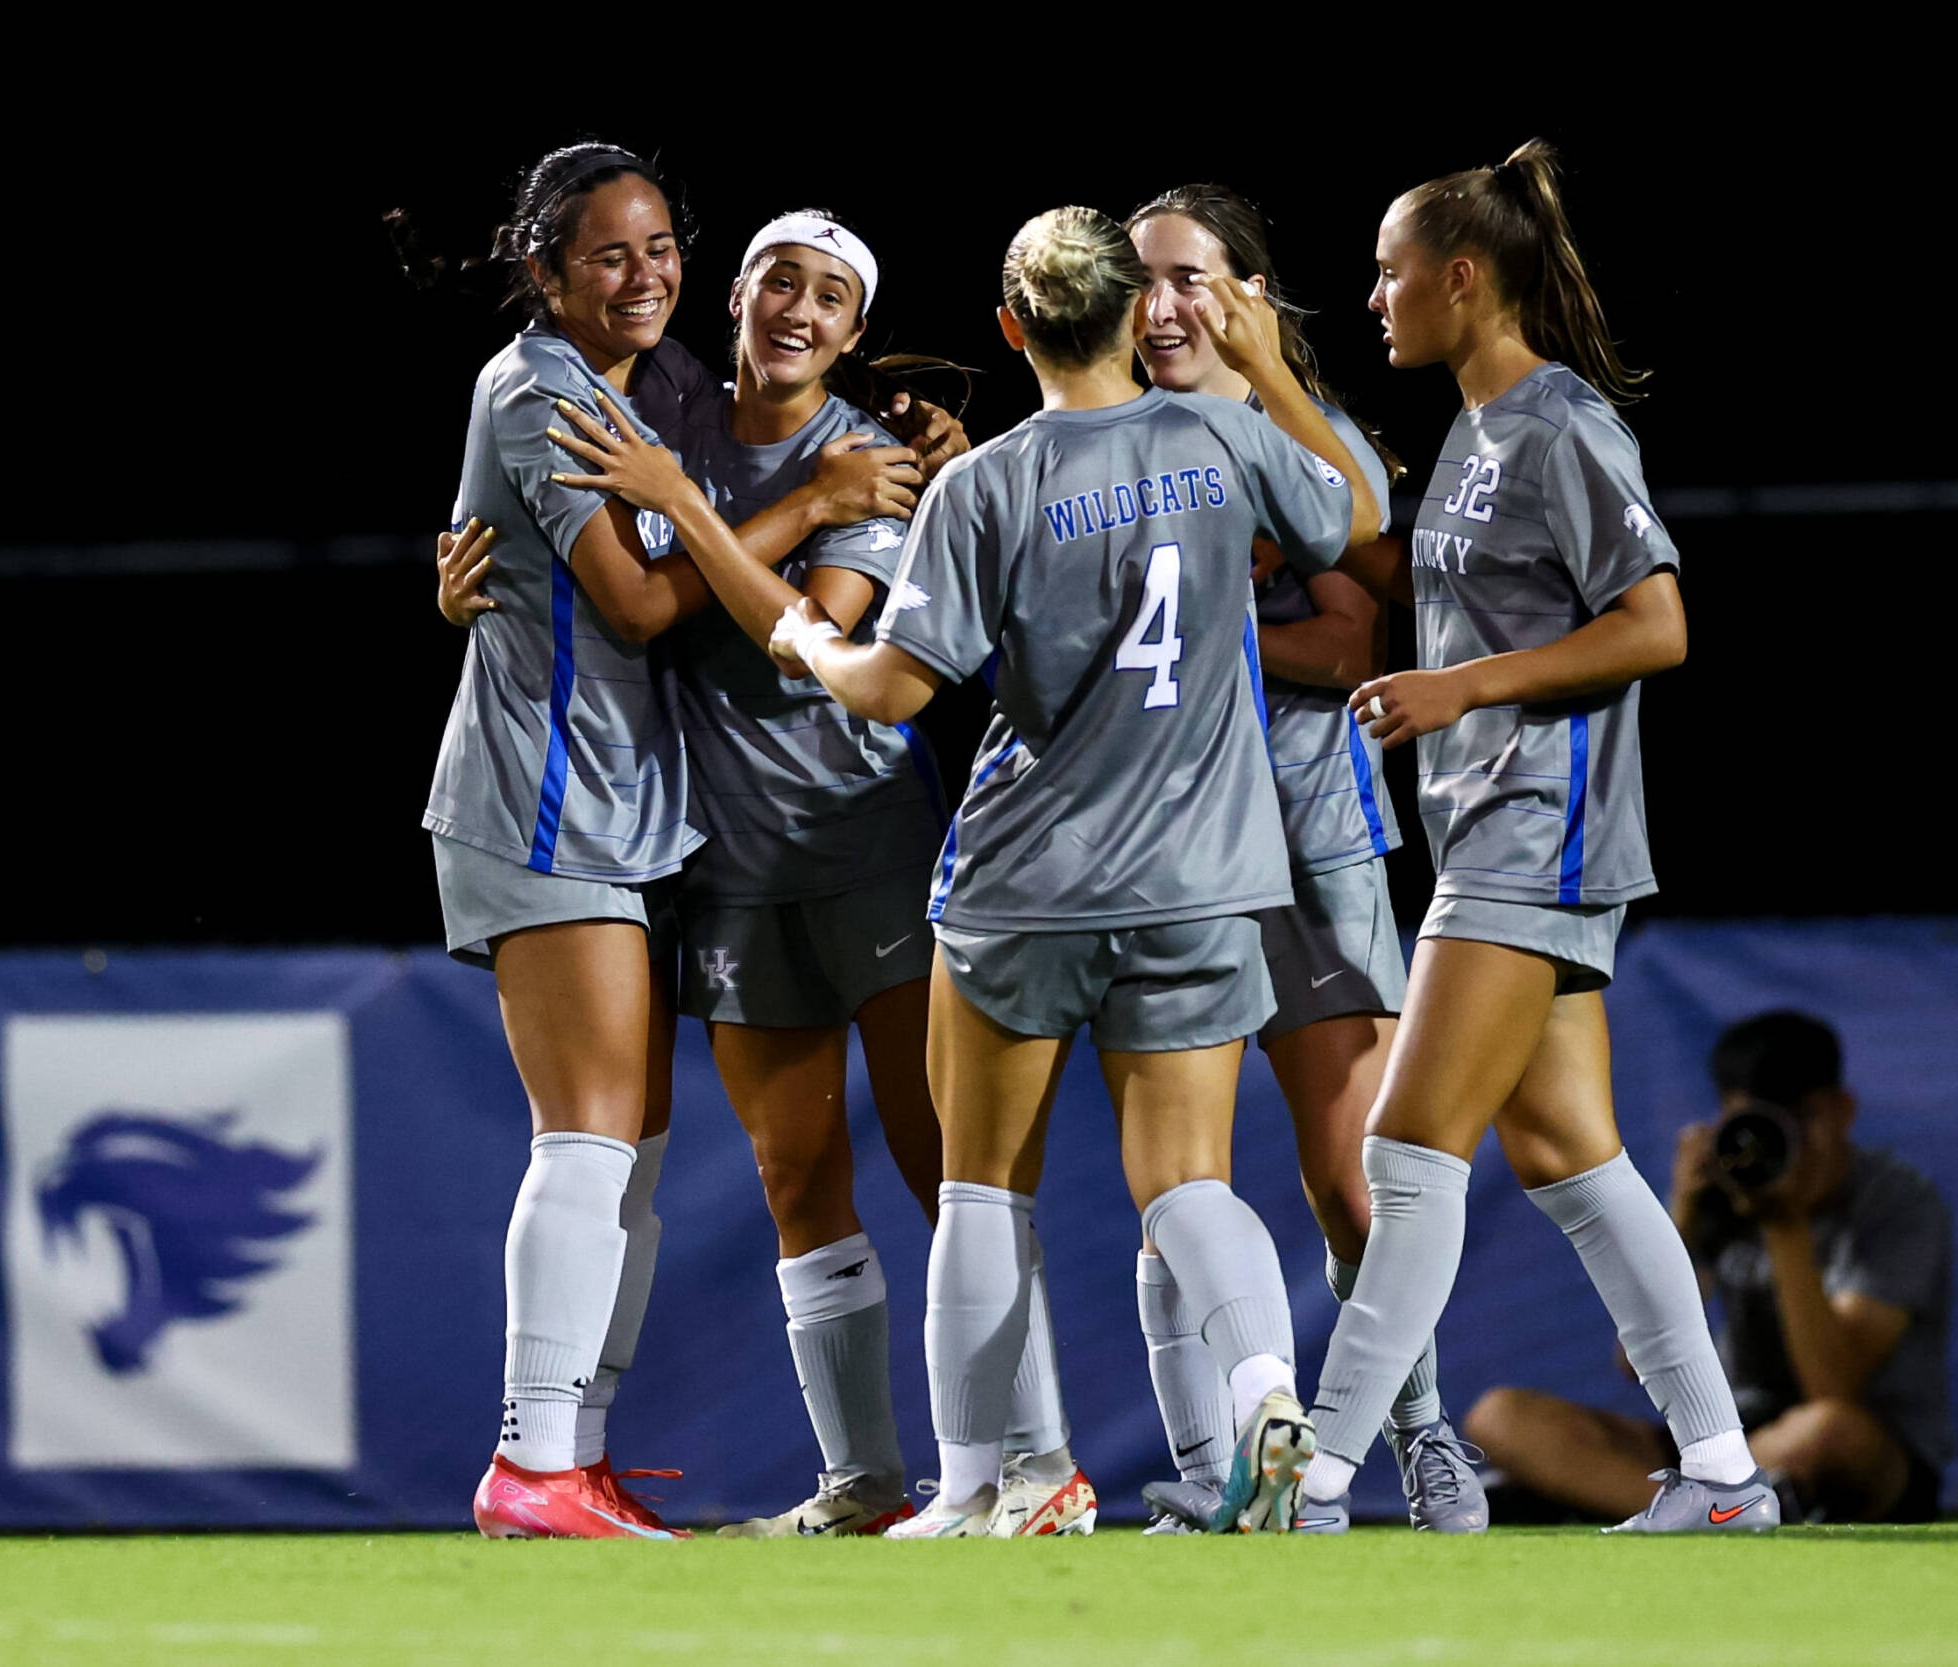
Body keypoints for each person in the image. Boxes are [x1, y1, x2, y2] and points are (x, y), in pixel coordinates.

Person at [551, 203, 1383, 1534]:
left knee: (982, 1182)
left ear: (1008, 327)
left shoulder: (983, 482)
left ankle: (994, 1479)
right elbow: (1354, 513)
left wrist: (811, 651)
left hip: (1024, 882)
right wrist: (1263, 359)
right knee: (1188, 1177)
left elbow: (886, 687)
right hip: (1203, 872)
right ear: (1137, 314)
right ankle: (1270, 1387)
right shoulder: (1226, 434)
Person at [451, 212, 1088, 1536]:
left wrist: (694, 509)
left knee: (950, 1169)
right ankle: (862, 1480)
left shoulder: (867, 460)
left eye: (834, 296)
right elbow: (585, 567)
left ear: (855, 333)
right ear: (736, 295)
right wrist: (473, 577)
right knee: (801, 1186)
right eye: (781, 280)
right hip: (724, 867)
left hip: (870, 845)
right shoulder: (665, 420)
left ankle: (1037, 1465)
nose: (802, 307)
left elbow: (811, 632)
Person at [1239, 139, 1777, 1536]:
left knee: (1409, 1152)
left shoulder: (1563, 425)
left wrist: (1460, 684)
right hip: (1493, 830)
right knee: (1570, 1159)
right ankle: (1721, 1473)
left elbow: (1658, 621)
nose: (1374, 296)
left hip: (1538, 840)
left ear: (1462, 278)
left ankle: (1326, 1481)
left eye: (1389, 270)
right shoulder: (1477, 429)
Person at [1118, 184, 1484, 1535]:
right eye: (1142, 278)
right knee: (1174, 1183)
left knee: (1353, 1178)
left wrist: (1193, 632)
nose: (1162, 306)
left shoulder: (1301, 436)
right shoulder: (1104, 430)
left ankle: (1423, 1435)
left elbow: (1345, 636)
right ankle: (1230, 1476)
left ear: (1249, 290)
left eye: (1191, 277)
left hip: (1307, 837)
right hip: (1154, 855)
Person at [421, 141, 739, 1540]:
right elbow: (633, 604)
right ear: (545, 270)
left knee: (636, 1151)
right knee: (587, 1136)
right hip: (543, 804)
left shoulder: (626, 389)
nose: (645, 272)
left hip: (622, 804)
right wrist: (804, 507)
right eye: (608, 252)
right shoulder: (540, 380)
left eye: (661, 244)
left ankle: (578, 1457)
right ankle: (529, 1459)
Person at [1466, 1011, 1954, 1523]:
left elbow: (1832, 1389)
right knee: (1501, 1416)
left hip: (1865, 1450)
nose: (1780, 1143)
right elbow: (1636, 1363)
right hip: (1726, 1443)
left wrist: (1784, 1225)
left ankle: (1601, 1496)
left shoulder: (1898, 1202)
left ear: (1842, 1111)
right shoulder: (1721, 1187)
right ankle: (1716, 1511)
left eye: (1798, 1119)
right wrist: (1682, 1222)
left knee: (1830, 1431)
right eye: (1757, 1124)